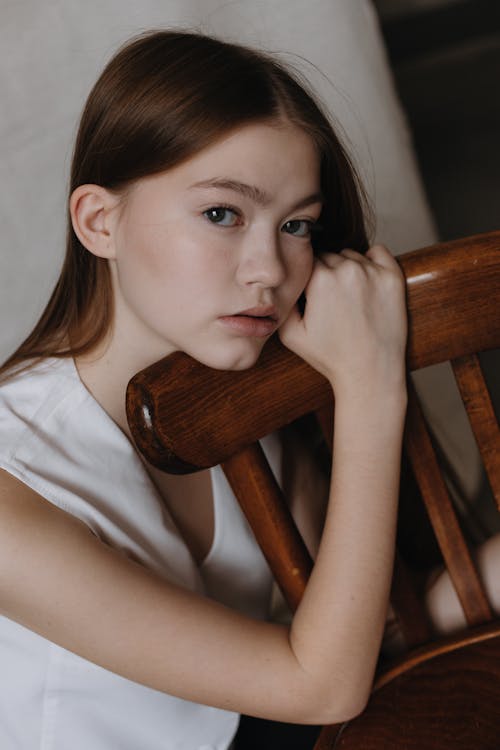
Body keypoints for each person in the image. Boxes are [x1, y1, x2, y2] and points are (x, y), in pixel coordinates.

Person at [0, 29, 409, 749]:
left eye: (296, 226)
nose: (270, 270)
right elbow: (321, 684)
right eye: (223, 213)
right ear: (101, 222)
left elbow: (368, 625)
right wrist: (371, 390)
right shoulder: (13, 486)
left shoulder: (243, 398)